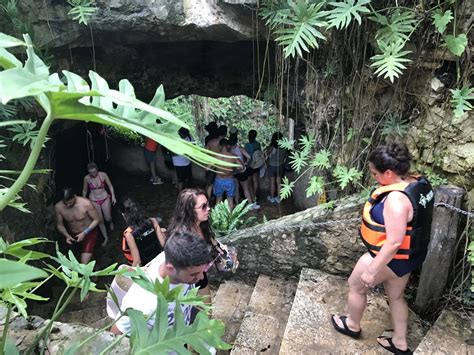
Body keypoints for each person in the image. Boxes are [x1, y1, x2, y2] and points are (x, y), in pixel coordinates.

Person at [331, 143, 434, 354]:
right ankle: (400, 342)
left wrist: (372, 270)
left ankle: (352, 325)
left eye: (375, 173)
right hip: (408, 260)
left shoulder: (396, 201)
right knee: (396, 297)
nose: (374, 177)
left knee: (355, 287)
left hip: (389, 258)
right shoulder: (416, 183)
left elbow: (394, 242)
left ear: (388, 172)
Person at [110, 231, 212, 335]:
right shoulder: (142, 302)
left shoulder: (173, 256)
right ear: (170, 269)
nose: (200, 277)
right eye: (193, 274)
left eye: (202, 271)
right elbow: (117, 332)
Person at [167, 188, 223, 304]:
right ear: (189, 210)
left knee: (207, 310)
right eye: (203, 206)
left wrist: (218, 247)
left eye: (208, 204)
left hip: (200, 276)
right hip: (187, 280)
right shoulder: (180, 236)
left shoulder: (201, 225)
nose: (208, 209)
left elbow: (210, 242)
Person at [55, 188, 101, 264]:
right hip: (73, 236)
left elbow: (96, 219)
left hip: (88, 234)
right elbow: (59, 224)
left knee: (84, 263)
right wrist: (66, 235)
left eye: (70, 202)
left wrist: (84, 233)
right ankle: (93, 263)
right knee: (75, 259)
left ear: (74, 196)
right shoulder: (58, 207)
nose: (67, 205)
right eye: (65, 203)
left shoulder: (86, 204)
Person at [120, 198, 167, 267]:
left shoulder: (129, 234)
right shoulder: (153, 221)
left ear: (124, 215)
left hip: (147, 266)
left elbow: (137, 261)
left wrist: (131, 275)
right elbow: (163, 244)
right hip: (158, 261)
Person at [82, 162, 116, 246]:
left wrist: (113, 196)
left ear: (97, 169)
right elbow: (85, 190)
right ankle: (105, 238)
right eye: (91, 173)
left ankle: (110, 222)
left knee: (107, 218)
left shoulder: (103, 175)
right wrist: (84, 200)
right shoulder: (86, 178)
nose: (93, 174)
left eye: (94, 172)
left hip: (104, 198)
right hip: (93, 199)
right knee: (99, 220)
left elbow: (110, 185)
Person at [229, 133, 260, 210]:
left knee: (236, 188)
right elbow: (249, 157)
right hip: (242, 170)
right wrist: (244, 163)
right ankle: (250, 204)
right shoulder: (240, 148)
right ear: (236, 141)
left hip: (234, 171)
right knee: (246, 189)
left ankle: (236, 203)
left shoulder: (229, 150)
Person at [213, 139, 242, 210]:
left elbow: (206, 168)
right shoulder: (233, 156)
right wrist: (233, 168)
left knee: (218, 199)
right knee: (230, 199)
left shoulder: (216, 156)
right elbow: (241, 167)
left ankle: (217, 217)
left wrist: (216, 167)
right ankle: (230, 218)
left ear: (220, 146)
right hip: (229, 180)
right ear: (228, 146)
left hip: (219, 180)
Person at [204, 124, 226, 199]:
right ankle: (220, 201)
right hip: (221, 165)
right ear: (225, 133)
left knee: (209, 184)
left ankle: (207, 201)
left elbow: (206, 153)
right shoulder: (224, 144)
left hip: (210, 164)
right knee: (221, 184)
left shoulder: (210, 142)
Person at [245, 129, 264, 200]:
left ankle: (251, 195)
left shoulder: (248, 145)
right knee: (255, 180)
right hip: (257, 164)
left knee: (249, 181)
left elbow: (248, 156)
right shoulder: (258, 144)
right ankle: (255, 195)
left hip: (250, 165)